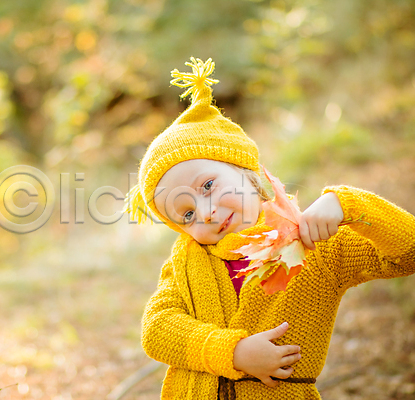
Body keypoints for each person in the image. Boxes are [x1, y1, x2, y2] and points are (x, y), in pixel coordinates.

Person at [124, 57, 415, 399]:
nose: (205, 212)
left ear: (247, 171)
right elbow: (157, 329)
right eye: (186, 215)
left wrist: (347, 204)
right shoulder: (187, 262)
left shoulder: (309, 241)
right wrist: (232, 352)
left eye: (207, 186)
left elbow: (407, 252)